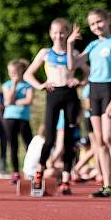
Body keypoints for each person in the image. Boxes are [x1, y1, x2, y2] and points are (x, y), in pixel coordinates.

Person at [68, 8, 111, 199]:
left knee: (109, 138)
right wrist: (69, 43)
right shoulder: (92, 46)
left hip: (109, 90)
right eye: (92, 24)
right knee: (98, 141)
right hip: (94, 92)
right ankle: (107, 185)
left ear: (107, 20)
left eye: (99, 22)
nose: (96, 26)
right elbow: (71, 65)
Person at [25, 18, 88, 195]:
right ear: (50, 34)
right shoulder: (45, 53)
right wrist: (40, 85)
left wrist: (80, 81)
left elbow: (89, 74)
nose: (58, 36)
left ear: (67, 34)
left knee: (69, 138)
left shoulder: (73, 52)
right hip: (53, 94)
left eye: (62, 33)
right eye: (55, 33)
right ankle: (39, 171)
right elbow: (28, 74)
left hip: (70, 95)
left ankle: (66, 178)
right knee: (50, 137)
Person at [2, 59, 34, 184]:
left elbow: (29, 100)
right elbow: (7, 101)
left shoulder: (27, 85)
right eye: (10, 72)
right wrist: (14, 86)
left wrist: (15, 102)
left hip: (23, 119)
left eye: (14, 72)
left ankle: (29, 171)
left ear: (20, 71)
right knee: (13, 146)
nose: (12, 75)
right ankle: (15, 173)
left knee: (29, 145)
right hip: (9, 118)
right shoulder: (7, 85)